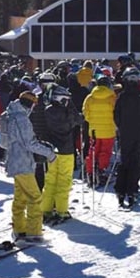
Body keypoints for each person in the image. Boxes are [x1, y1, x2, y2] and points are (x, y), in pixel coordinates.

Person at [0, 91, 56, 242]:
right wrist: (49, 153)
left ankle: (19, 229)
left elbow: (3, 143)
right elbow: (30, 143)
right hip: (23, 162)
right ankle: (34, 232)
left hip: (12, 161)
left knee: (20, 197)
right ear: (29, 104)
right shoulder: (22, 118)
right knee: (35, 197)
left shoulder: (6, 115)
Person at [42, 84, 83, 224]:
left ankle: (46, 209)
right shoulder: (66, 113)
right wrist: (71, 106)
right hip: (65, 150)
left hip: (51, 151)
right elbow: (77, 119)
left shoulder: (47, 110)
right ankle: (61, 210)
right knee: (64, 181)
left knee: (50, 180)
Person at [113, 68, 140, 208]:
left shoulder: (122, 97)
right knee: (136, 161)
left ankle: (121, 190)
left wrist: (123, 126)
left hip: (125, 133)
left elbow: (116, 116)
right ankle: (131, 190)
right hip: (139, 133)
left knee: (125, 160)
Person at [82, 75, 117, 187]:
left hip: (94, 131)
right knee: (105, 152)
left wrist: (92, 121)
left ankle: (90, 172)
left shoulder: (90, 98)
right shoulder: (112, 97)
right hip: (108, 131)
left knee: (93, 151)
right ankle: (102, 171)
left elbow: (85, 114)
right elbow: (116, 114)